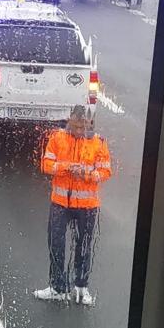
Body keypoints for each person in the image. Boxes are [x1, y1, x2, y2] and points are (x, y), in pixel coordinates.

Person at [34, 105, 112, 306]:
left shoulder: (99, 142)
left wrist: (86, 174)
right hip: (60, 202)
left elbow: (105, 171)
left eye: (83, 127)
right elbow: (46, 165)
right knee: (56, 244)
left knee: (84, 247)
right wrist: (68, 168)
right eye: (76, 126)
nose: (79, 131)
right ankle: (58, 288)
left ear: (89, 124)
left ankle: (81, 288)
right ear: (69, 121)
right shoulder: (57, 138)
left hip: (87, 206)